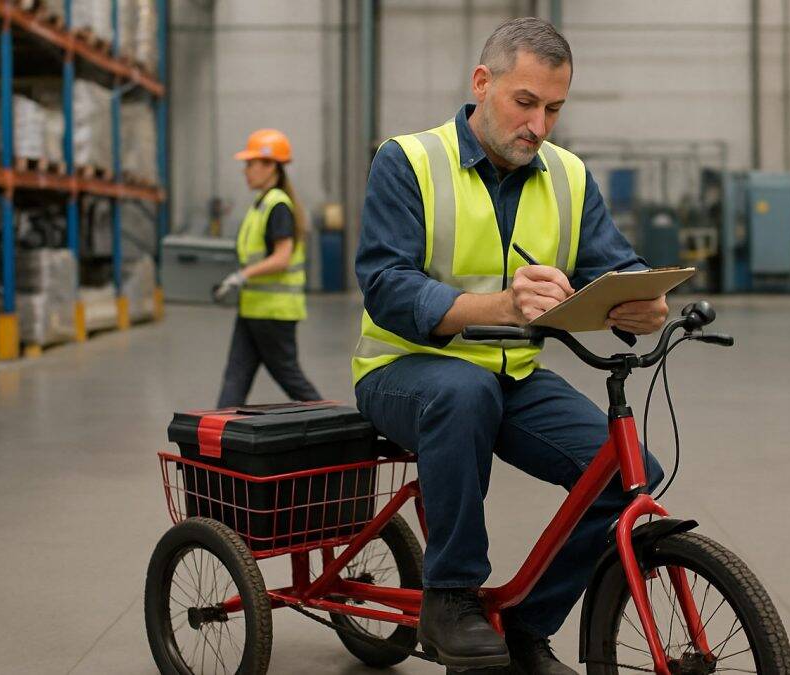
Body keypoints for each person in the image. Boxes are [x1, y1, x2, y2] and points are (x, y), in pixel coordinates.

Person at [352, 18, 670, 675]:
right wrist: (500, 305)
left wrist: (643, 304)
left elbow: (616, 269)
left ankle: (526, 625)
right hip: (400, 370)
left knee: (628, 466)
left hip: (511, 376)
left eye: (554, 108)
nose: (540, 125)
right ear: (482, 83)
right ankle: (450, 596)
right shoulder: (407, 160)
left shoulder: (568, 177)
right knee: (462, 391)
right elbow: (386, 286)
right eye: (526, 102)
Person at [214, 128, 321, 408]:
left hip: (274, 312)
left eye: (251, 164)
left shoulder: (278, 207)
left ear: (271, 165)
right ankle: (216, 441)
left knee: (290, 378)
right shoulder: (260, 205)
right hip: (253, 309)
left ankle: (334, 424)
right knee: (235, 378)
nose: (245, 171)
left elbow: (282, 257)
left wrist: (241, 275)